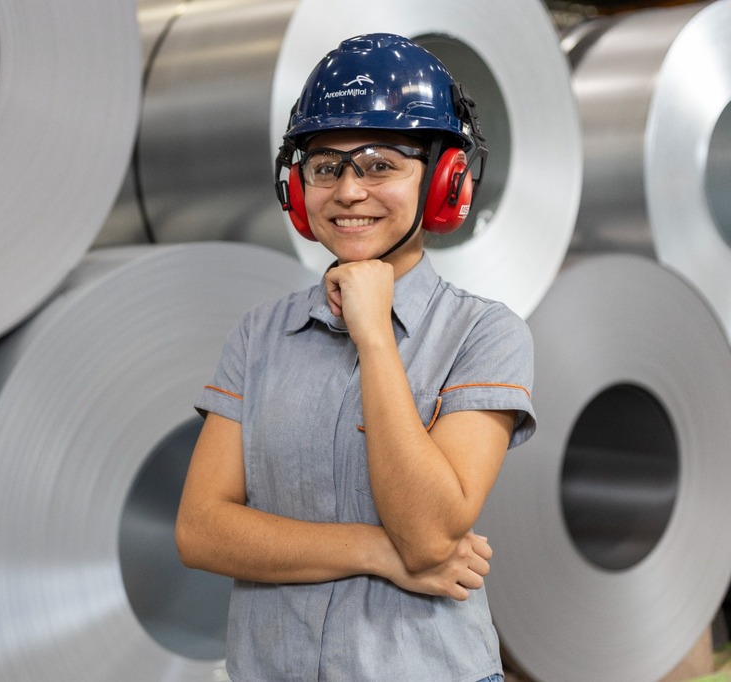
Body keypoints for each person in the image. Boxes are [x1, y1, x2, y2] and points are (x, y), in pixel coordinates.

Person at [175, 33, 536, 681]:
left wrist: (374, 336)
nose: (347, 190)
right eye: (325, 166)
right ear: (297, 186)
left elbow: (428, 533)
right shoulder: (260, 334)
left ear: (444, 181)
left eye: (379, 164)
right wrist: (378, 551)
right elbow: (202, 531)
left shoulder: (485, 334)